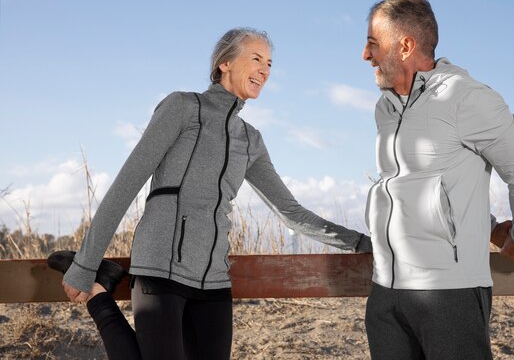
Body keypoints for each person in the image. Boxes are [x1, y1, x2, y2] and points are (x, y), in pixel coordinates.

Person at [51, 27, 372, 360]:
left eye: (270, 64)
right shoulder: (183, 108)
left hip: (214, 282)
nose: (265, 70)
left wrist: (359, 242)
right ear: (225, 64)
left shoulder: (250, 140)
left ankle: (102, 290)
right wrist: (85, 265)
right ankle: (98, 294)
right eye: (256, 58)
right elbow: (127, 182)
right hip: (161, 270)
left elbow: (290, 211)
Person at [360, 0, 514, 360]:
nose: (365, 56)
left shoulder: (466, 97)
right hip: (385, 293)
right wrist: (492, 228)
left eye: (372, 44)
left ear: (406, 45)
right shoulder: (385, 107)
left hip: (449, 294)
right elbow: (429, 185)